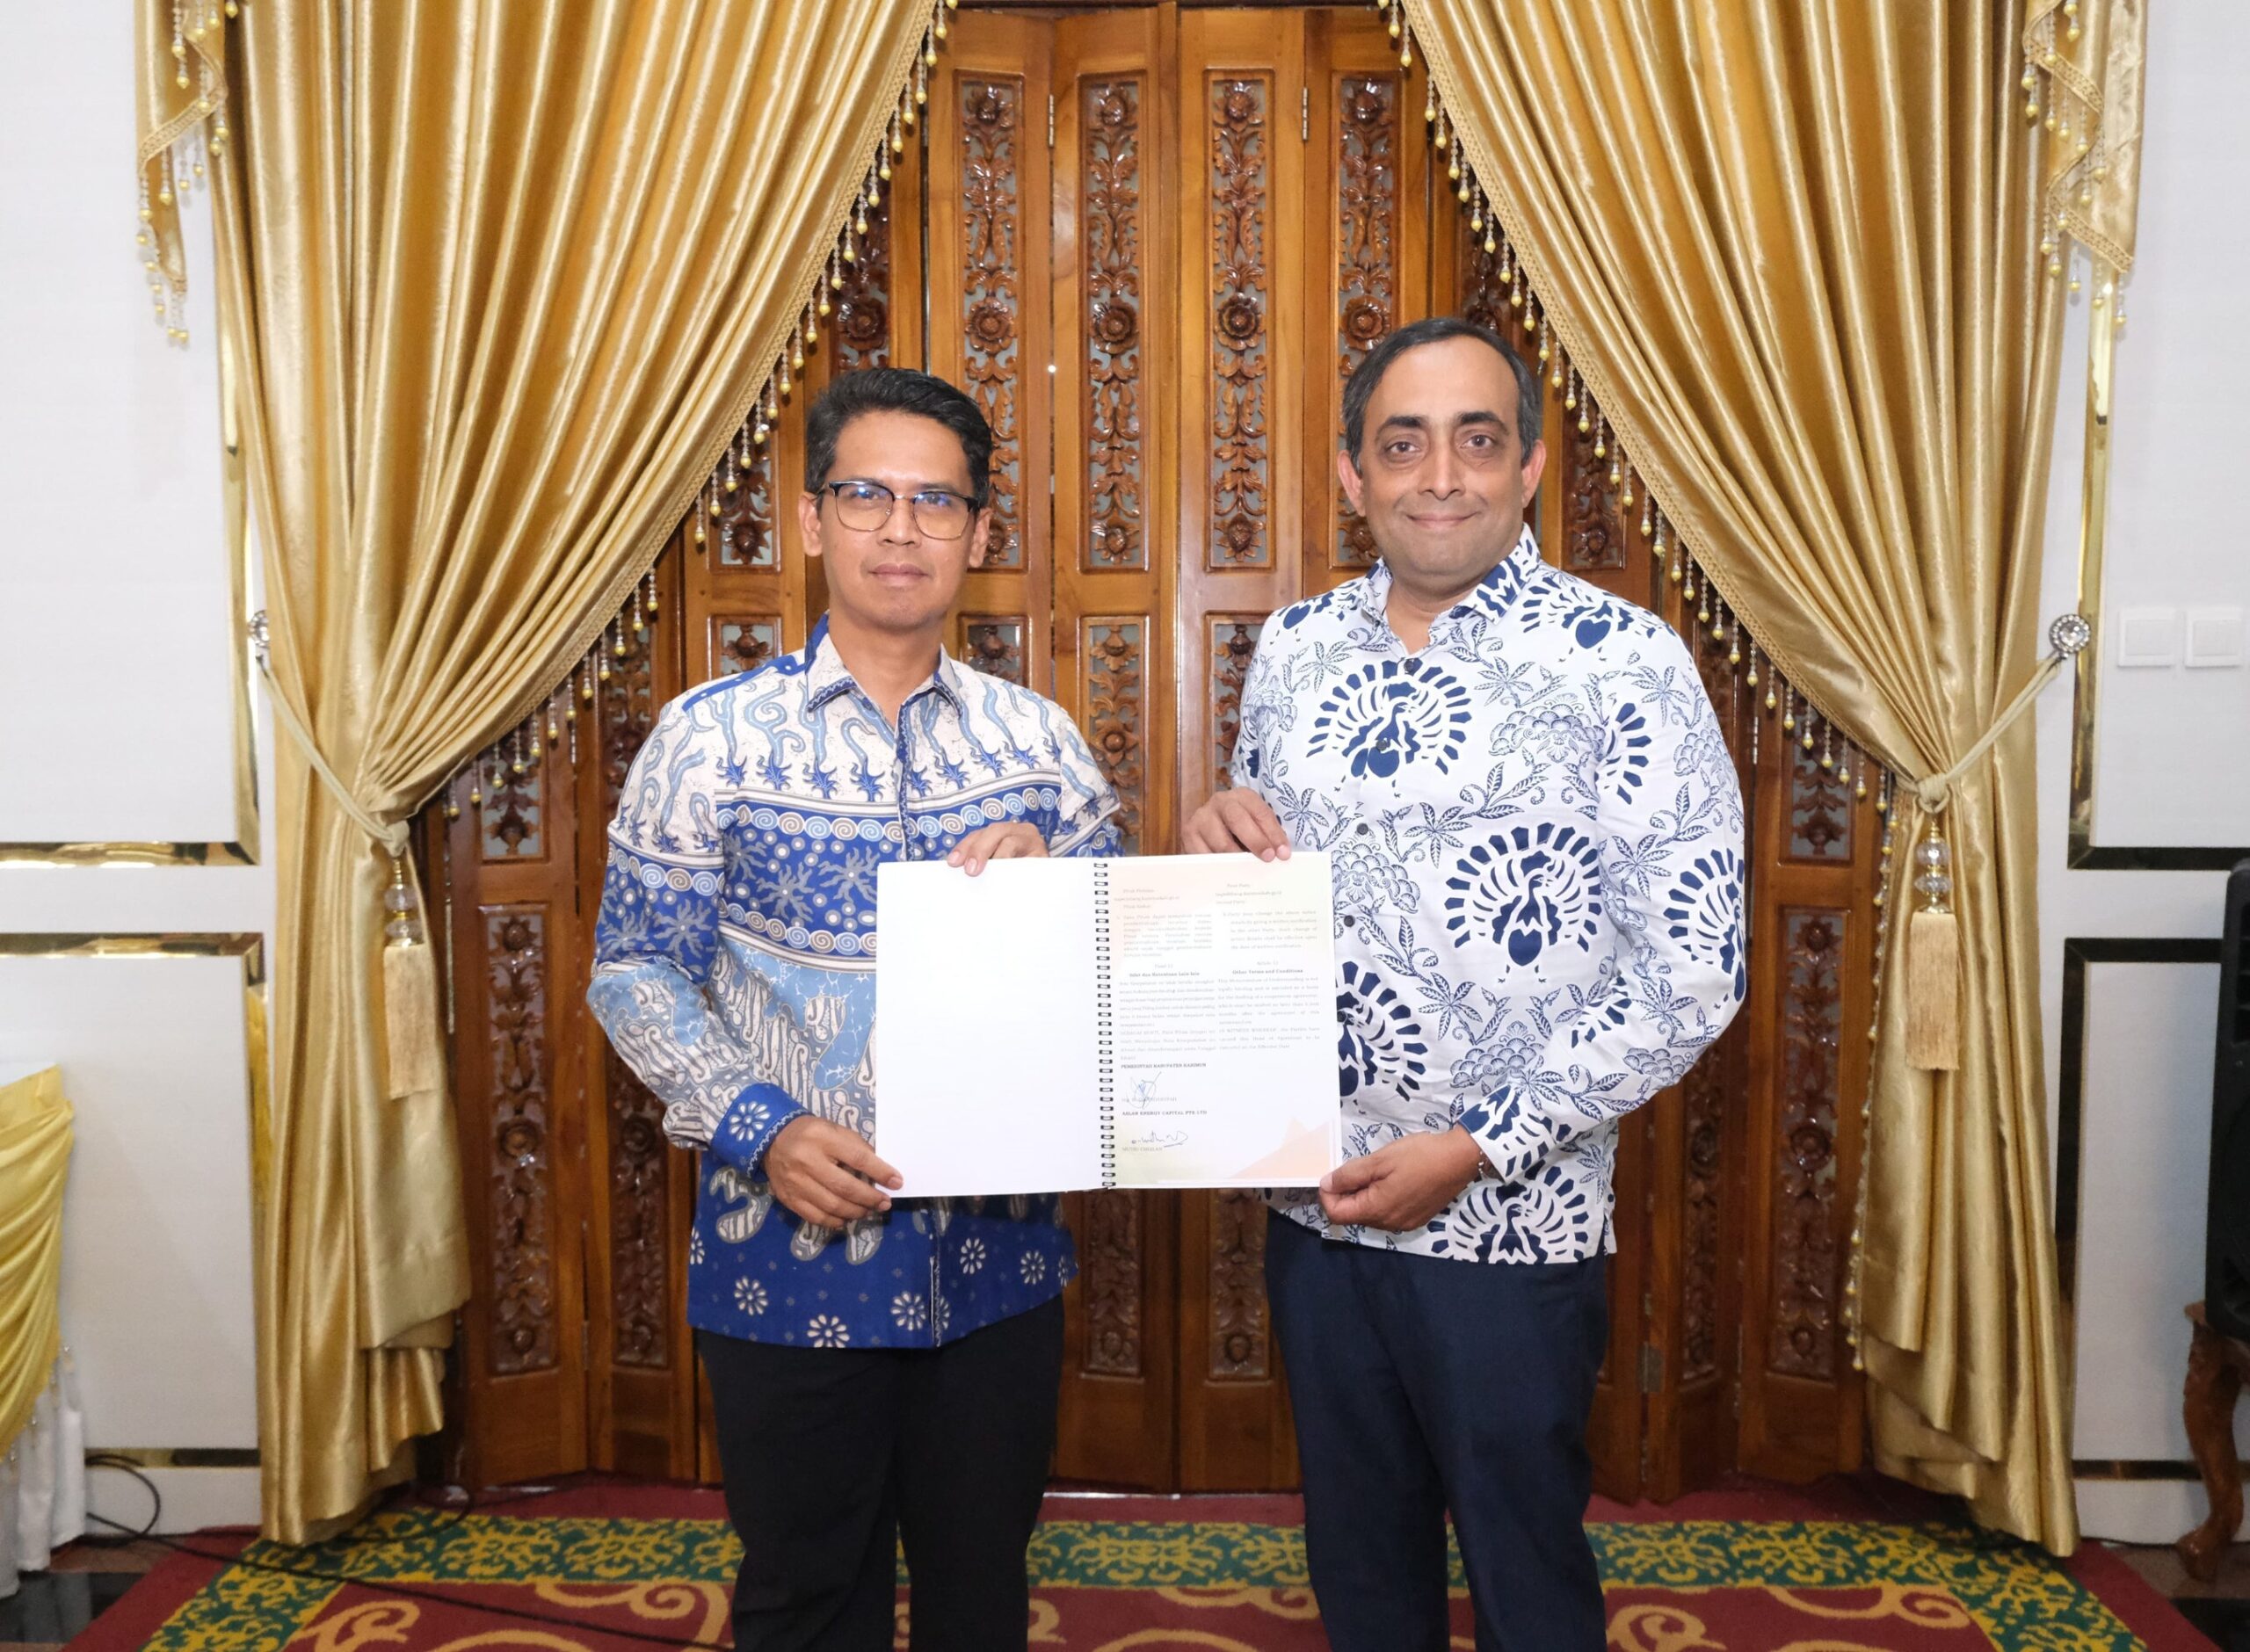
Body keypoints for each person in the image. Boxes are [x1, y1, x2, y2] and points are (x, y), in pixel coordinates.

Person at [1183, 315, 1746, 1651]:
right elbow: (1268, 877)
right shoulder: (1296, 647)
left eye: (1477, 440)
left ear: (1531, 465)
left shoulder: (1626, 661)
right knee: (1360, 1570)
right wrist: (1219, 830)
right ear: (1353, 475)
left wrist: (1478, 1145)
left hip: (1511, 1224)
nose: (1440, 474)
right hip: (1318, 1211)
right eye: (1404, 443)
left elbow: (1694, 972)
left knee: (1524, 1579)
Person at [587, 366, 1119, 1652]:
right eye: (866, 494)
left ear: (978, 534)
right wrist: (761, 1126)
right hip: (786, 1253)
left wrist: (1066, 881)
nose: (899, 528)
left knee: (981, 1596)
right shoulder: (707, 741)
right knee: (806, 1598)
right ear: (812, 518)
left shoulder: (1039, 745)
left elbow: (1119, 961)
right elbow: (634, 969)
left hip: (994, 1268)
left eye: (936, 502)